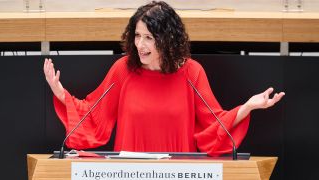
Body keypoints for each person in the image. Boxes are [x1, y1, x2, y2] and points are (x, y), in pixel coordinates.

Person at [43, 1, 285, 156]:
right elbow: (93, 114)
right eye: (137, 36)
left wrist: (248, 106)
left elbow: (216, 126)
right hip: (128, 173)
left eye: (149, 37)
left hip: (179, 173)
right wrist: (60, 92)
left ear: (167, 40)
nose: (140, 44)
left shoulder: (192, 72)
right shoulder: (123, 69)